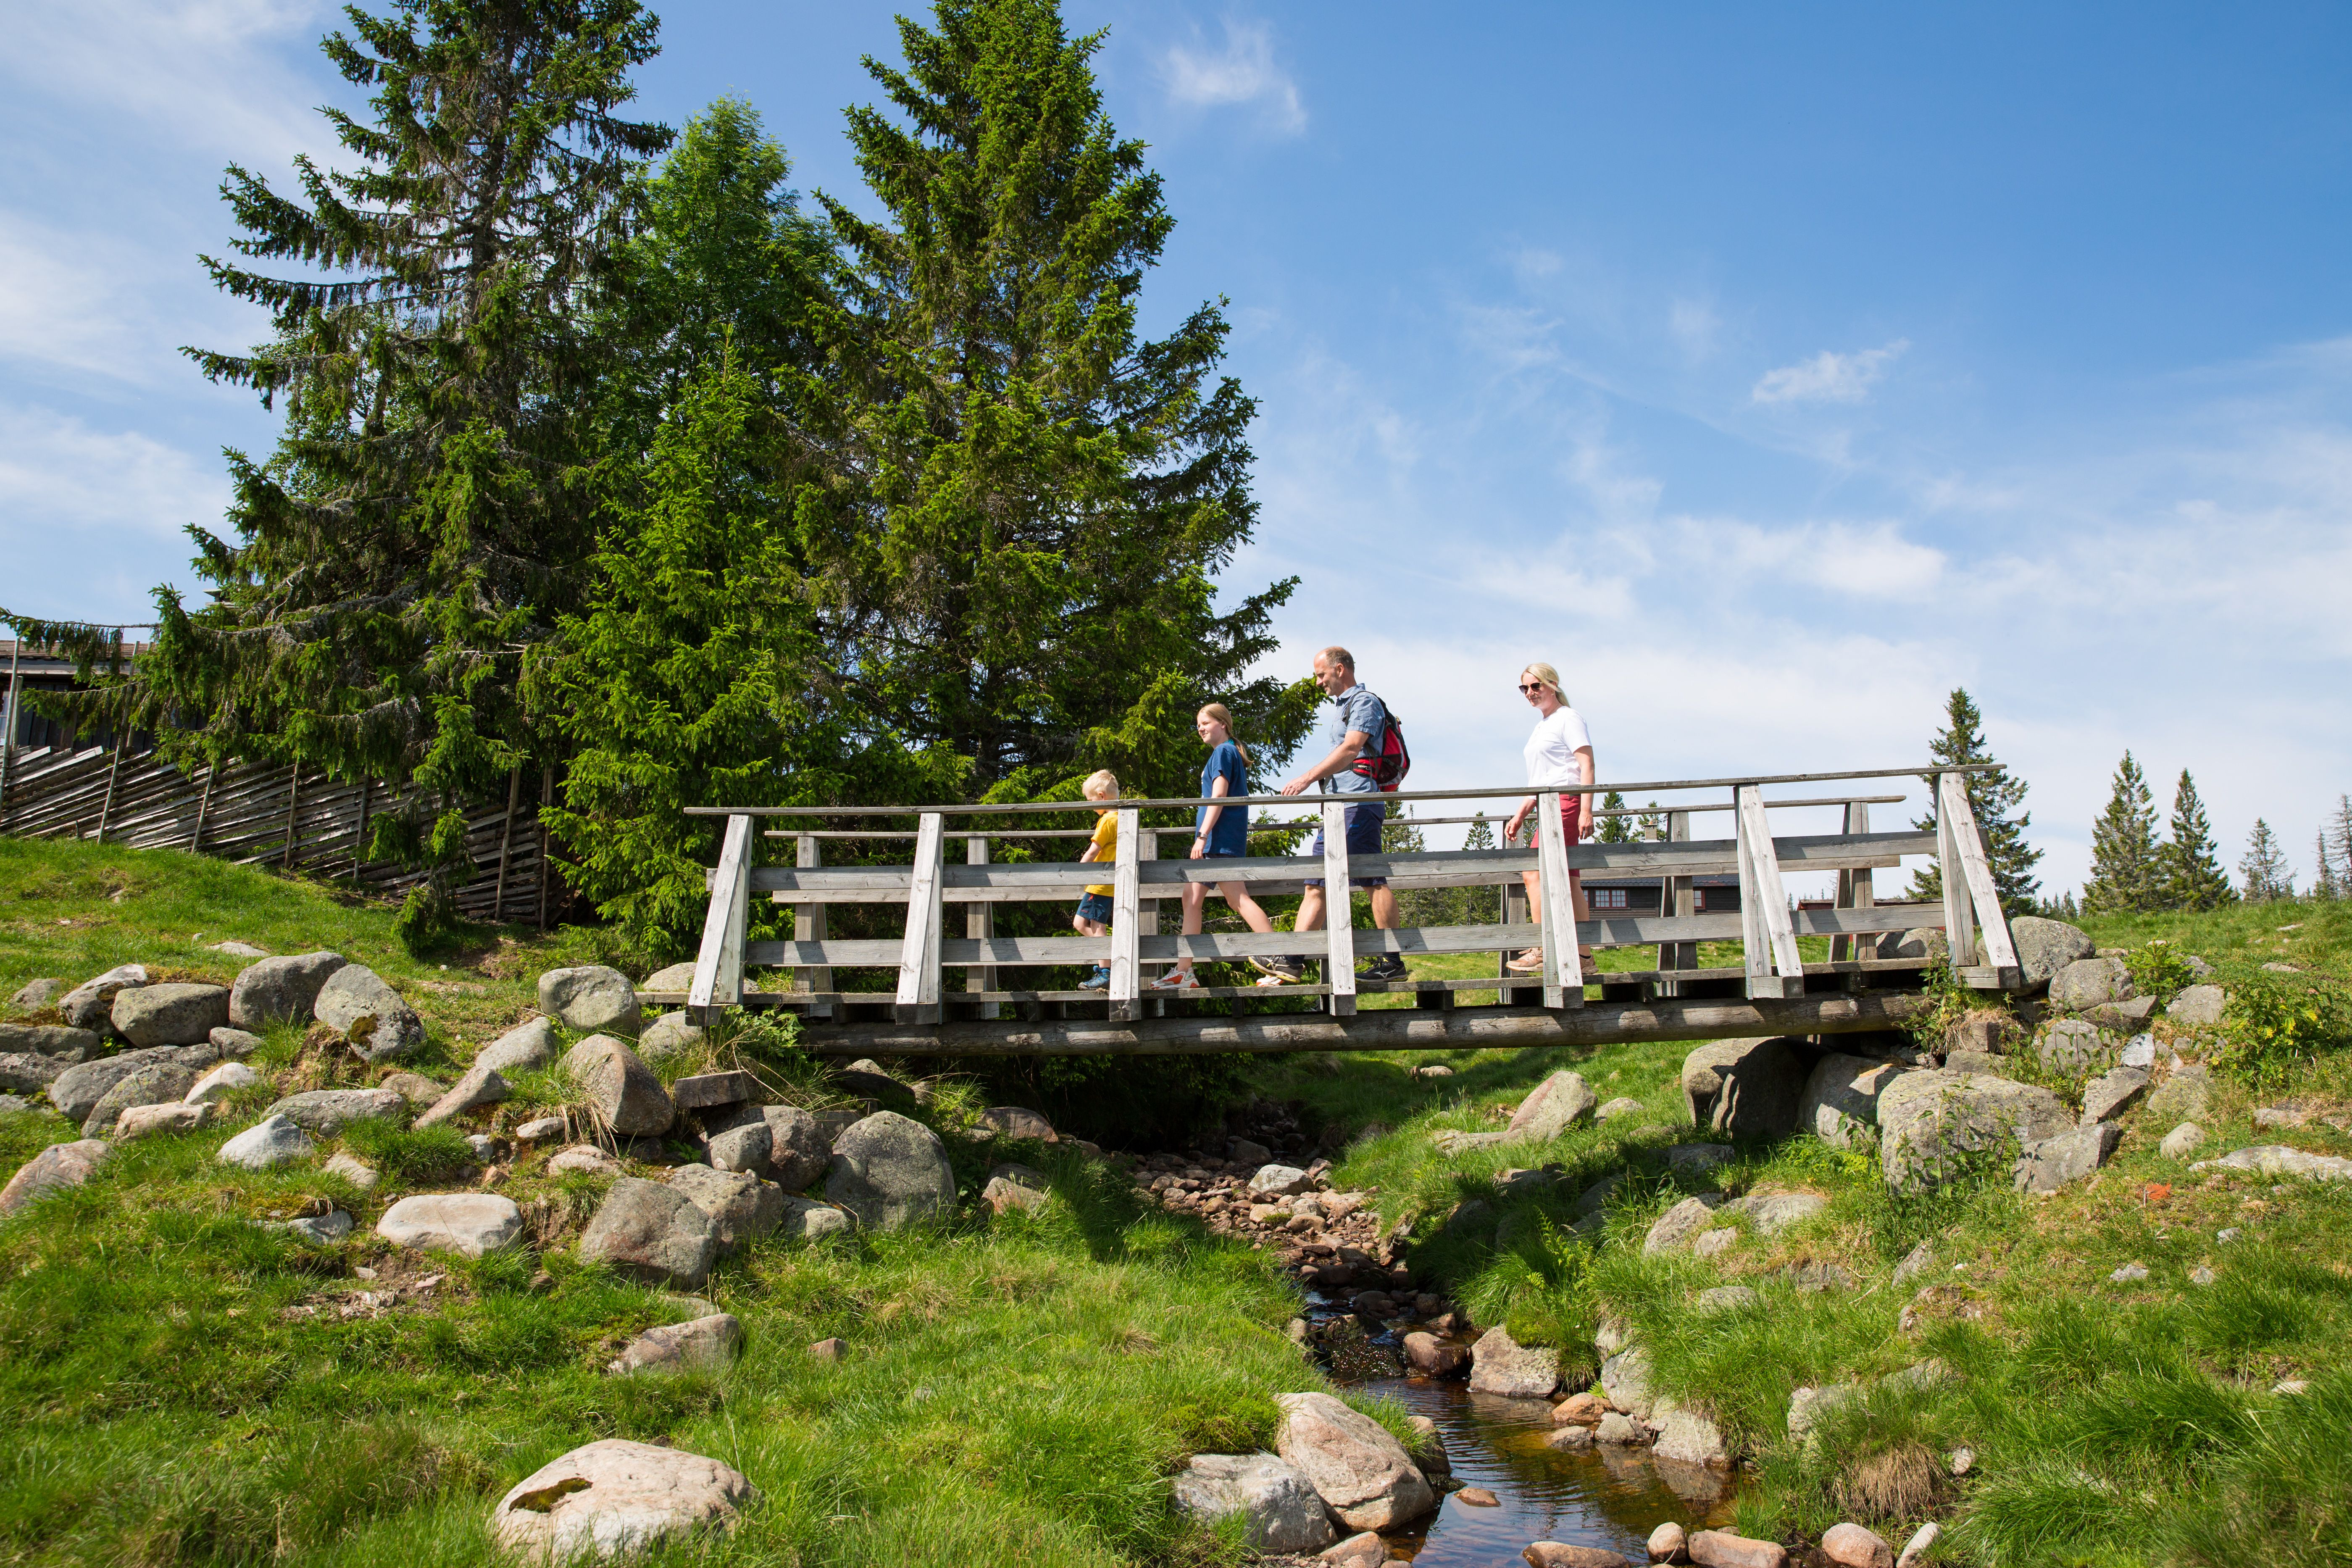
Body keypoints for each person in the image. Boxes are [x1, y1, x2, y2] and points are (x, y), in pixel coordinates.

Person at [1255, 646, 1408, 985]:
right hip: (1339, 810)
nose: (1319, 682)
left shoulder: (1364, 702)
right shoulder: (1344, 708)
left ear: (1340, 669)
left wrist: (1307, 778)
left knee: (1372, 880)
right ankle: (1292, 963)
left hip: (1359, 806)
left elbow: (1352, 748)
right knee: (1316, 884)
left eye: (1321, 674)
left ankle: (1393, 962)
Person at [1149, 704, 1277, 992]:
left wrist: (1203, 836)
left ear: (1223, 723)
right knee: (1191, 899)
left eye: (1205, 722)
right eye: (1198, 725)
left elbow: (1218, 796)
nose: (1201, 728)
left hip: (1217, 841)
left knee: (1238, 899)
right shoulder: (1229, 751)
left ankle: (1277, 959)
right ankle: (1184, 972)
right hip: (1218, 841)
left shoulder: (1223, 752)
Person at [1502, 662, 1596, 974]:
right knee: (1569, 880)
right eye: (1525, 688)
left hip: (1566, 803)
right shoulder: (1542, 725)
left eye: (1536, 686)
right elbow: (1537, 782)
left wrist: (1586, 809)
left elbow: (1587, 765)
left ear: (1552, 685)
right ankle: (1584, 959)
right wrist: (1520, 815)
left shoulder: (1568, 718)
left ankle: (1542, 948)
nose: (1530, 693)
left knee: (1533, 872)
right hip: (1549, 807)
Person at [1072, 769, 1120, 990]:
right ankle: (1107, 961)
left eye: (1090, 800)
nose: (1090, 805)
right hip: (1106, 882)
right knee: (1081, 923)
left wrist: (1079, 872)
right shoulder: (1120, 818)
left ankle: (1106, 970)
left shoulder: (1108, 820)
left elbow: (1094, 851)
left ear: (1101, 796)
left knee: (1097, 926)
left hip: (1100, 883)